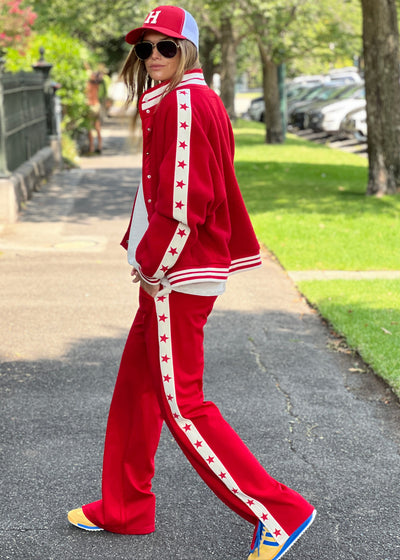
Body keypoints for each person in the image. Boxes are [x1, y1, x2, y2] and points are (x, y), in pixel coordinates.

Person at [67, 6, 316, 559]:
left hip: (176, 274)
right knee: (137, 391)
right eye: (145, 48)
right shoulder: (181, 99)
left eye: (166, 46)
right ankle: (125, 508)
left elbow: (185, 204)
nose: (154, 56)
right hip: (173, 271)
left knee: (183, 405)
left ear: (189, 51)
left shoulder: (185, 102)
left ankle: (280, 511)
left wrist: (154, 266)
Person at [85, 65, 106, 154]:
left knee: (90, 128)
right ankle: (98, 146)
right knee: (97, 127)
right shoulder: (97, 84)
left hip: (90, 105)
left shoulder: (88, 84)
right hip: (96, 105)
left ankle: (92, 147)